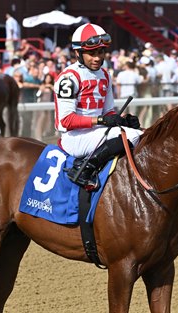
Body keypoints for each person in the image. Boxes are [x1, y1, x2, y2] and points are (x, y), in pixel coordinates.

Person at [54, 23, 142, 190]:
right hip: (74, 137)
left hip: (95, 133)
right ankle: (83, 169)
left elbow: (108, 112)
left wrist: (123, 120)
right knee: (130, 136)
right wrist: (102, 120)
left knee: (139, 133)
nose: (97, 58)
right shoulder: (69, 78)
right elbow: (66, 121)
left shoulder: (105, 75)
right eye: (91, 53)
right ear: (77, 53)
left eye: (100, 52)